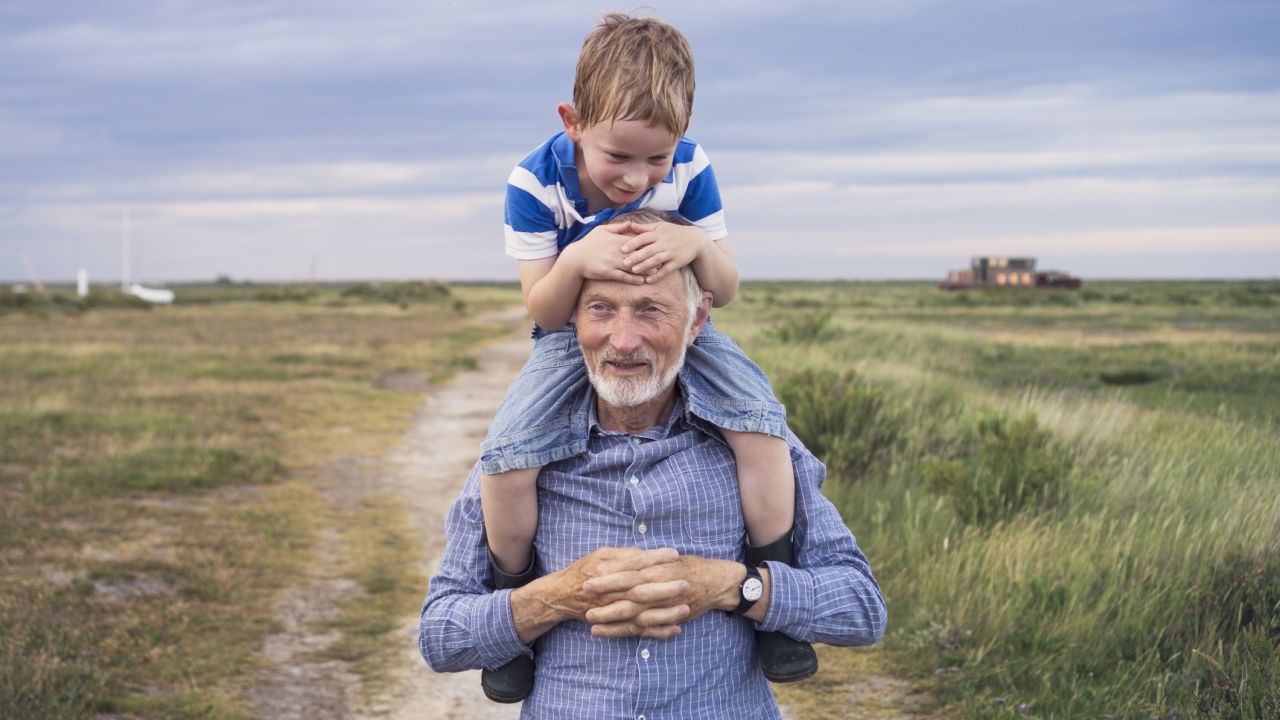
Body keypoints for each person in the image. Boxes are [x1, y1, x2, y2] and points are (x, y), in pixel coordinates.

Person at [481, 12, 808, 700]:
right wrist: (578, 259)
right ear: (572, 121)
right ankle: (512, 610)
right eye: (618, 158)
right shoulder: (533, 183)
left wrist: (695, 248)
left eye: (655, 158)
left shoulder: (692, 167)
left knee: (761, 424)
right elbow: (540, 307)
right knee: (509, 454)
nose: (637, 178)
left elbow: (727, 287)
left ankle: (775, 592)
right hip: (570, 334)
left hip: (686, 323)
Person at [420, 252, 888, 718]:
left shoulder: (760, 446)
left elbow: (861, 607)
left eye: (651, 310)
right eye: (600, 308)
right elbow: (440, 636)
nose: (623, 341)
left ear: (697, 317)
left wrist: (734, 587)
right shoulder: (517, 455)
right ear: (572, 320)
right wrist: (555, 597)